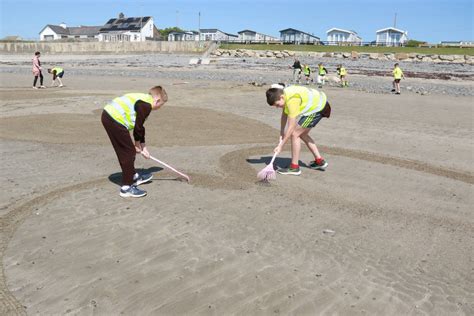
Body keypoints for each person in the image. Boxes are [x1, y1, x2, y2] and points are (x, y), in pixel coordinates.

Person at [101, 86, 168, 198]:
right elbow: (138, 127)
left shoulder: (144, 100)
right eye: (160, 105)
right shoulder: (146, 105)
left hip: (111, 117)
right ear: (157, 100)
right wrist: (137, 144)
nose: (159, 108)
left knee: (127, 151)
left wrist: (144, 147)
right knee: (128, 153)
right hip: (114, 119)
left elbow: (140, 127)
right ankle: (126, 187)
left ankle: (133, 175)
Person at [266, 84, 331, 175]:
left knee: (294, 134)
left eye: (277, 104)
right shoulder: (285, 95)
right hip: (319, 105)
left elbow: (291, 127)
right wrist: (281, 132)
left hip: (318, 108)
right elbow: (284, 114)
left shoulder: (292, 101)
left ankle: (294, 168)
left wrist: (281, 146)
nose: (277, 107)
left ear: (281, 97)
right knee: (302, 134)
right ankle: (319, 161)